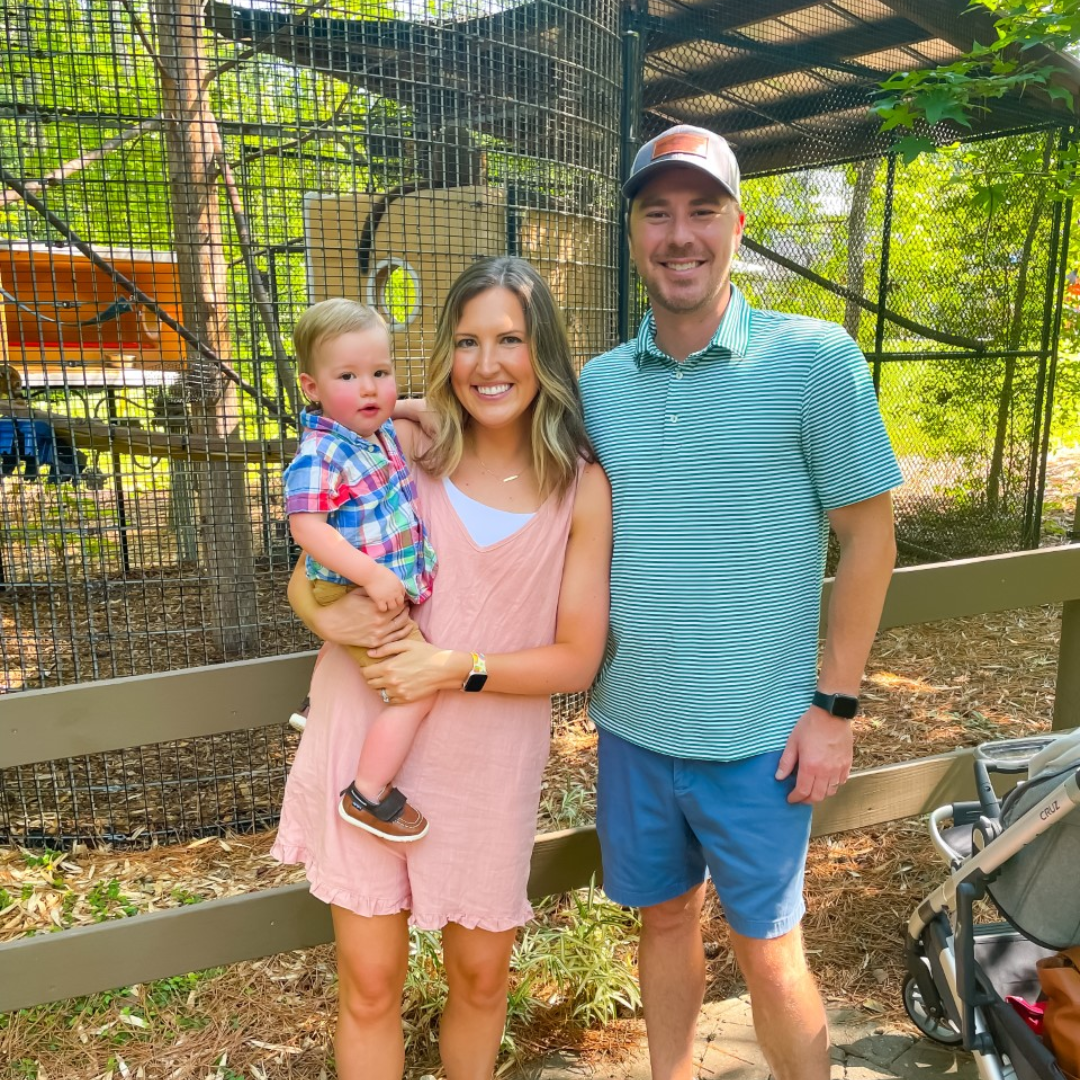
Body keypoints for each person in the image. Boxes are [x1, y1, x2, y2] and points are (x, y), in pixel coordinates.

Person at [578, 125, 902, 1080]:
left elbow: (870, 538)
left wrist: (834, 708)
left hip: (761, 736)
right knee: (665, 916)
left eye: (702, 210)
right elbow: (497, 434)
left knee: (768, 946)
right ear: (633, 232)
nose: (681, 235)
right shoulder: (599, 385)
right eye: (658, 213)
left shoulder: (814, 359)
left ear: (738, 225)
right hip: (633, 726)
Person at [274, 256, 612, 1080]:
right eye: (466, 340)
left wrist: (446, 667)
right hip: (366, 743)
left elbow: (577, 657)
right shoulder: (404, 439)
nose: (487, 363)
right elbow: (305, 572)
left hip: (485, 762)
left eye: (510, 339)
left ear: (547, 352)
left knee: (481, 978)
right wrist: (329, 614)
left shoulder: (579, 483)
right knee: (369, 986)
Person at [283, 298, 437, 842]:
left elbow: (388, 406)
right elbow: (308, 529)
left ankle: (314, 701)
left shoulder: (373, 429)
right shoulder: (321, 453)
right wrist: (371, 575)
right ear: (312, 387)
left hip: (367, 585)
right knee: (414, 689)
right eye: (348, 375)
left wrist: (413, 407)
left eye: (380, 372)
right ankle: (368, 793)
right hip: (351, 584)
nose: (369, 388)